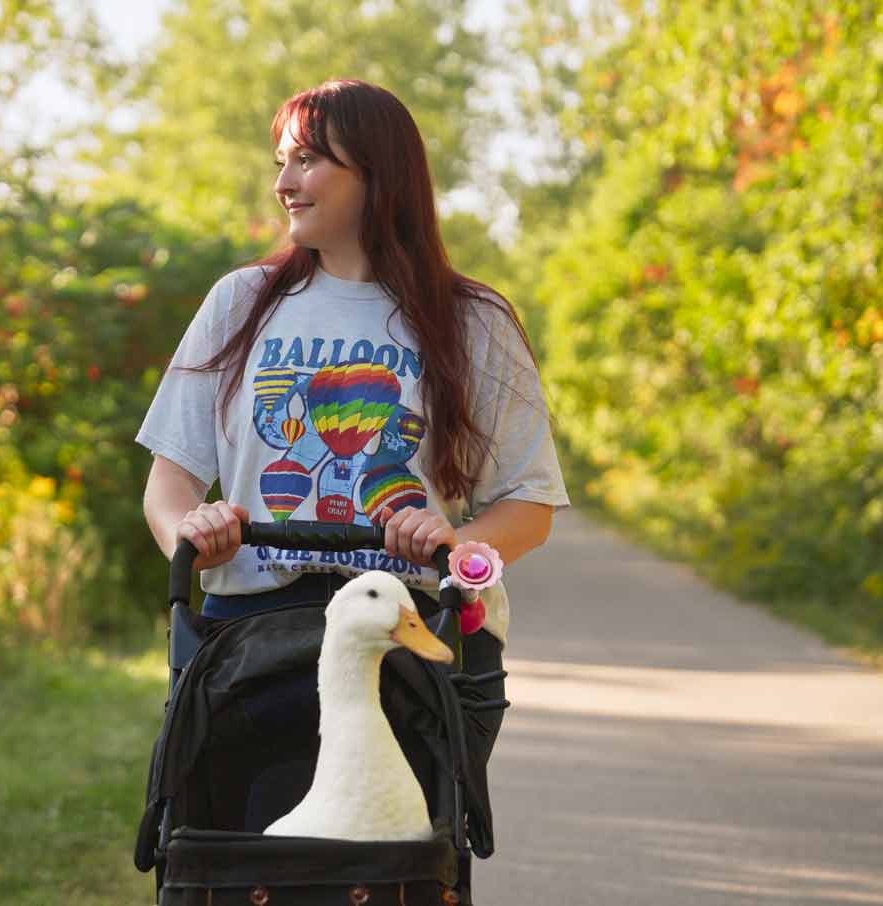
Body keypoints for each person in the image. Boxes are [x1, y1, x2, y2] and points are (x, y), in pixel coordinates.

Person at [134, 79, 570, 835]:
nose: (283, 183)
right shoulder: (241, 305)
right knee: (236, 843)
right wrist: (192, 536)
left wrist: (454, 546)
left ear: (377, 172)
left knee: (392, 850)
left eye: (307, 161)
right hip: (247, 635)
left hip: (401, 629)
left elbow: (529, 507)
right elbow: (167, 485)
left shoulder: (472, 321)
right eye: (281, 161)